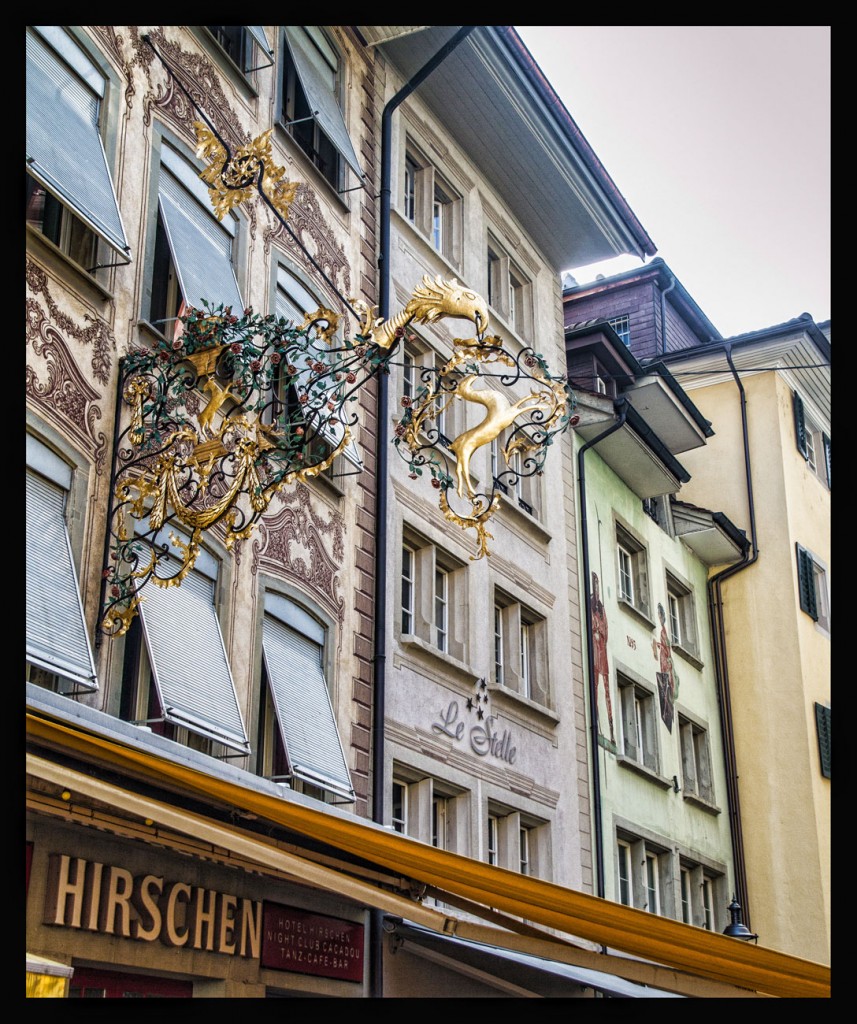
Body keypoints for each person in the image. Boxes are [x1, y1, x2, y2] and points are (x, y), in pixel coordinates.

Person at [590, 572, 615, 743]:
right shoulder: (591, 604)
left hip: (602, 651)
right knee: (595, 687)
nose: (597, 588)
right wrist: (596, 631)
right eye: (595, 585)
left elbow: (605, 628)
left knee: (606, 690)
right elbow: (594, 625)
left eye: (598, 584)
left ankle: (612, 732)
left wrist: (600, 632)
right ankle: (597, 726)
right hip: (595, 650)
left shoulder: (601, 607)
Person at [652, 602, 679, 732]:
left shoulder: (663, 632)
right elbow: (665, 648)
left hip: (666, 665)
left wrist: (658, 646)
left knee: (667, 689)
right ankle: (668, 712)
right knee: (666, 689)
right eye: (658, 615)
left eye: (660, 615)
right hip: (665, 665)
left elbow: (667, 650)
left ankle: (669, 713)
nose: (659, 617)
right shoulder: (663, 632)